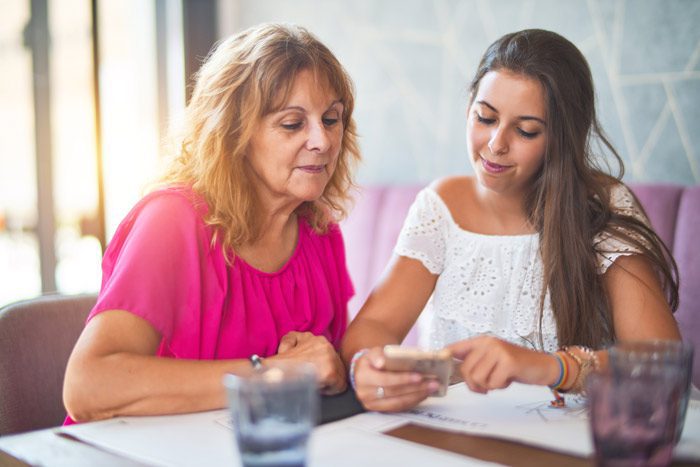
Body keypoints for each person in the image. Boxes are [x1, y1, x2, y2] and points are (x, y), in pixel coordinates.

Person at [341, 29, 681, 412]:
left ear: (562, 138)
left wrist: (547, 367)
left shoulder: (602, 207)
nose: (496, 144)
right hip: (455, 435)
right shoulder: (440, 207)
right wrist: (367, 368)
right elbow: (373, 329)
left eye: (526, 130)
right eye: (485, 117)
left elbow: (661, 364)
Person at [63, 23, 360, 422]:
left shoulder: (320, 229)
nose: (322, 141)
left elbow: (325, 368)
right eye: (292, 123)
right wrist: (270, 373)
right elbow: (87, 386)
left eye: (331, 119)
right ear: (233, 133)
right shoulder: (170, 221)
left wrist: (338, 371)